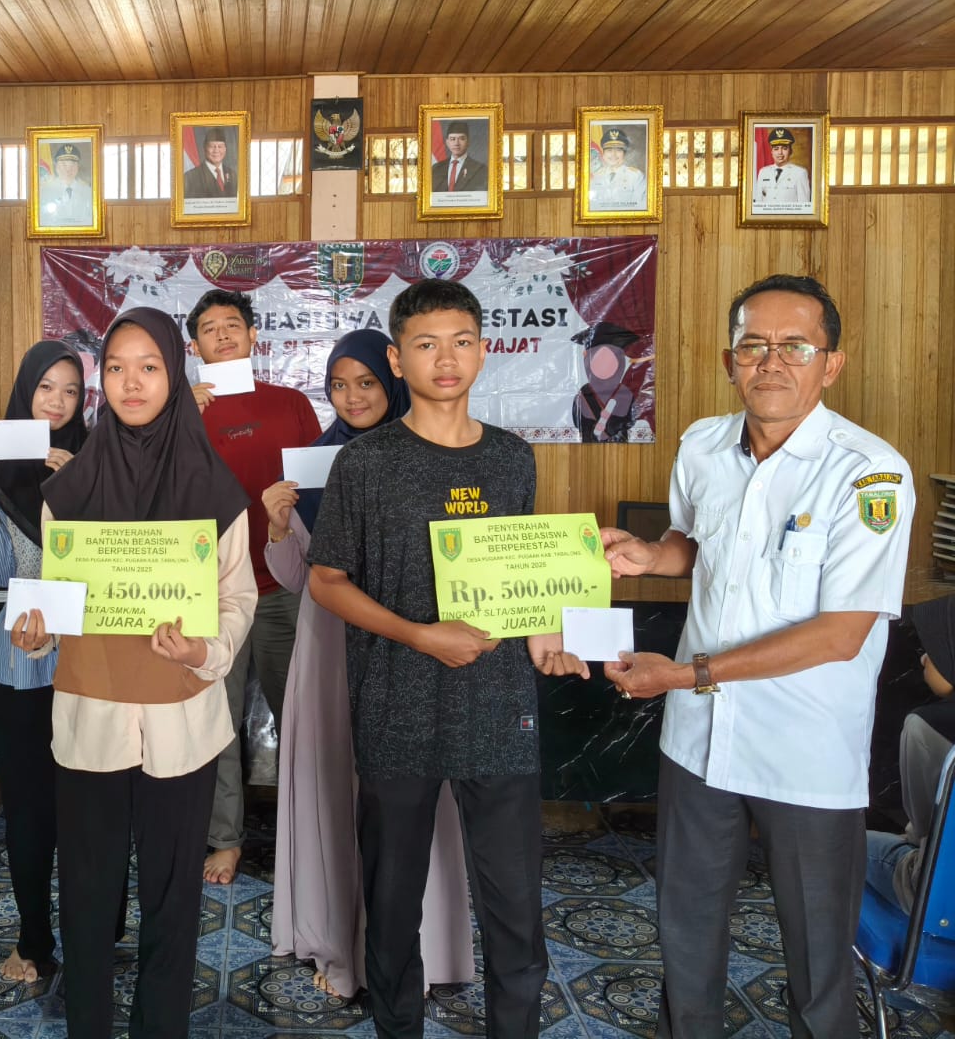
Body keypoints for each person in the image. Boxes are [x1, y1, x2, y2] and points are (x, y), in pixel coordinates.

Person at [602, 274, 915, 1038]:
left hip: (804, 752)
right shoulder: (702, 446)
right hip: (698, 743)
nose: (771, 362)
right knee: (685, 936)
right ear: (728, 360)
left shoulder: (868, 473)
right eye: (753, 346)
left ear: (830, 365)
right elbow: (693, 547)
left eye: (795, 347)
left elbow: (840, 634)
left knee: (818, 960)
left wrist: (688, 675)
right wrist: (650, 555)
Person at [306, 279, 588, 1039]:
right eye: (426, 345)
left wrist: (547, 635)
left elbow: (521, 573)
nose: (446, 359)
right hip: (395, 705)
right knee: (392, 897)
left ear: (483, 351)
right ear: (398, 360)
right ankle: (398, 1026)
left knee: (514, 900)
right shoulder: (365, 462)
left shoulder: (512, 458)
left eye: (461, 342)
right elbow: (327, 581)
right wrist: (420, 634)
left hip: (499, 707)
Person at [10, 306, 256, 1039]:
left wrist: (203, 652)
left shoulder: (215, 491)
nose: (131, 382)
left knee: (173, 899)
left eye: (149, 366)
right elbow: (55, 602)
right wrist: (36, 633)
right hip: (92, 720)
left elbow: (237, 599)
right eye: (115, 368)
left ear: (174, 375)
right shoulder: (69, 493)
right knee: (86, 894)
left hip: (183, 721)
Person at [263, 329, 475, 999]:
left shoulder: (427, 455)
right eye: (338, 385)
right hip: (328, 648)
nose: (352, 397)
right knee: (336, 786)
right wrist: (277, 527)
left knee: (408, 797)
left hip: (412, 644)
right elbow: (297, 578)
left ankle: (425, 951)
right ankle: (338, 941)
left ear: (392, 382)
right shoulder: (316, 463)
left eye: (365, 383)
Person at [0, 340, 87, 983]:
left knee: (92, 808)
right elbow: (0, 575)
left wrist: (78, 492)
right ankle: (34, 937)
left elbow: (108, 563)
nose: (58, 402)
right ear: (24, 392)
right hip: (21, 660)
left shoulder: (97, 461)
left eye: (71, 390)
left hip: (90, 658)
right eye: (46, 387)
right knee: (30, 810)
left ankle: (99, 930)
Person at [186, 288, 322, 884]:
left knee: (302, 716)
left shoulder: (290, 403)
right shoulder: (177, 411)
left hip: (282, 585)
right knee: (217, 720)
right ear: (194, 347)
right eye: (209, 328)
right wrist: (178, 418)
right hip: (210, 591)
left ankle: (308, 832)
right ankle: (225, 839)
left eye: (232, 325)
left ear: (253, 336)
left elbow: (317, 489)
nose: (222, 334)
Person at [865, 595, 955, 912]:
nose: (924, 659)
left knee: (834, 845)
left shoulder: (928, 727)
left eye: (935, 650)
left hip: (936, 894)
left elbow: (925, 834)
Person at [587, 126, 648, 210]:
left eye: (618, 150)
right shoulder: (596, 177)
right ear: (603, 154)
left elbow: (640, 208)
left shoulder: (636, 176)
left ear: (624, 154)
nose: (613, 154)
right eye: (609, 150)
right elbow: (591, 206)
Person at [751, 126, 813, 208]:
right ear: (771, 152)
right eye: (776, 149)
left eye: (784, 148)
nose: (780, 152)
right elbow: (758, 204)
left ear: (790, 151)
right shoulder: (763, 172)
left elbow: (804, 206)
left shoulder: (800, 173)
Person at [38, 143, 94, 227]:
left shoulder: (88, 191)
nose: (68, 169)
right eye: (64, 165)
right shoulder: (45, 191)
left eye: (73, 165)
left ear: (78, 167)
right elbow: (43, 219)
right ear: (57, 167)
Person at [429, 120, 488, 195]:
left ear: (468, 141)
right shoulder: (436, 169)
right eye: (452, 139)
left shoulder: (480, 169)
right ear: (447, 142)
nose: (456, 143)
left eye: (461, 139)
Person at [183, 127, 238, 198]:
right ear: (205, 148)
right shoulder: (190, 178)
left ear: (225, 149)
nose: (216, 150)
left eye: (220, 146)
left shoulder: (233, 175)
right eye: (212, 146)